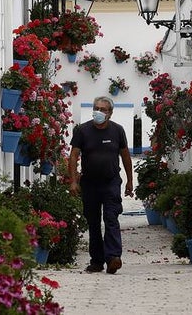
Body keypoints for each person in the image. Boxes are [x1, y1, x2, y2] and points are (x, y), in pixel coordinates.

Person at [68, 96, 134, 274]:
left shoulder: (117, 131)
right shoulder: (82, 130)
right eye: (96, 108)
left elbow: (125, 156)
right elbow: (73, 155)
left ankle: (113, 257)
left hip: (111, 182)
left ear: (110, 113)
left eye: (103, 109)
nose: (99, 111)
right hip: (89, 183)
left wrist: (130, 180)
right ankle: (97, 261)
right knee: (93, 222)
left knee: (111, 218)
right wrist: (73, 181)